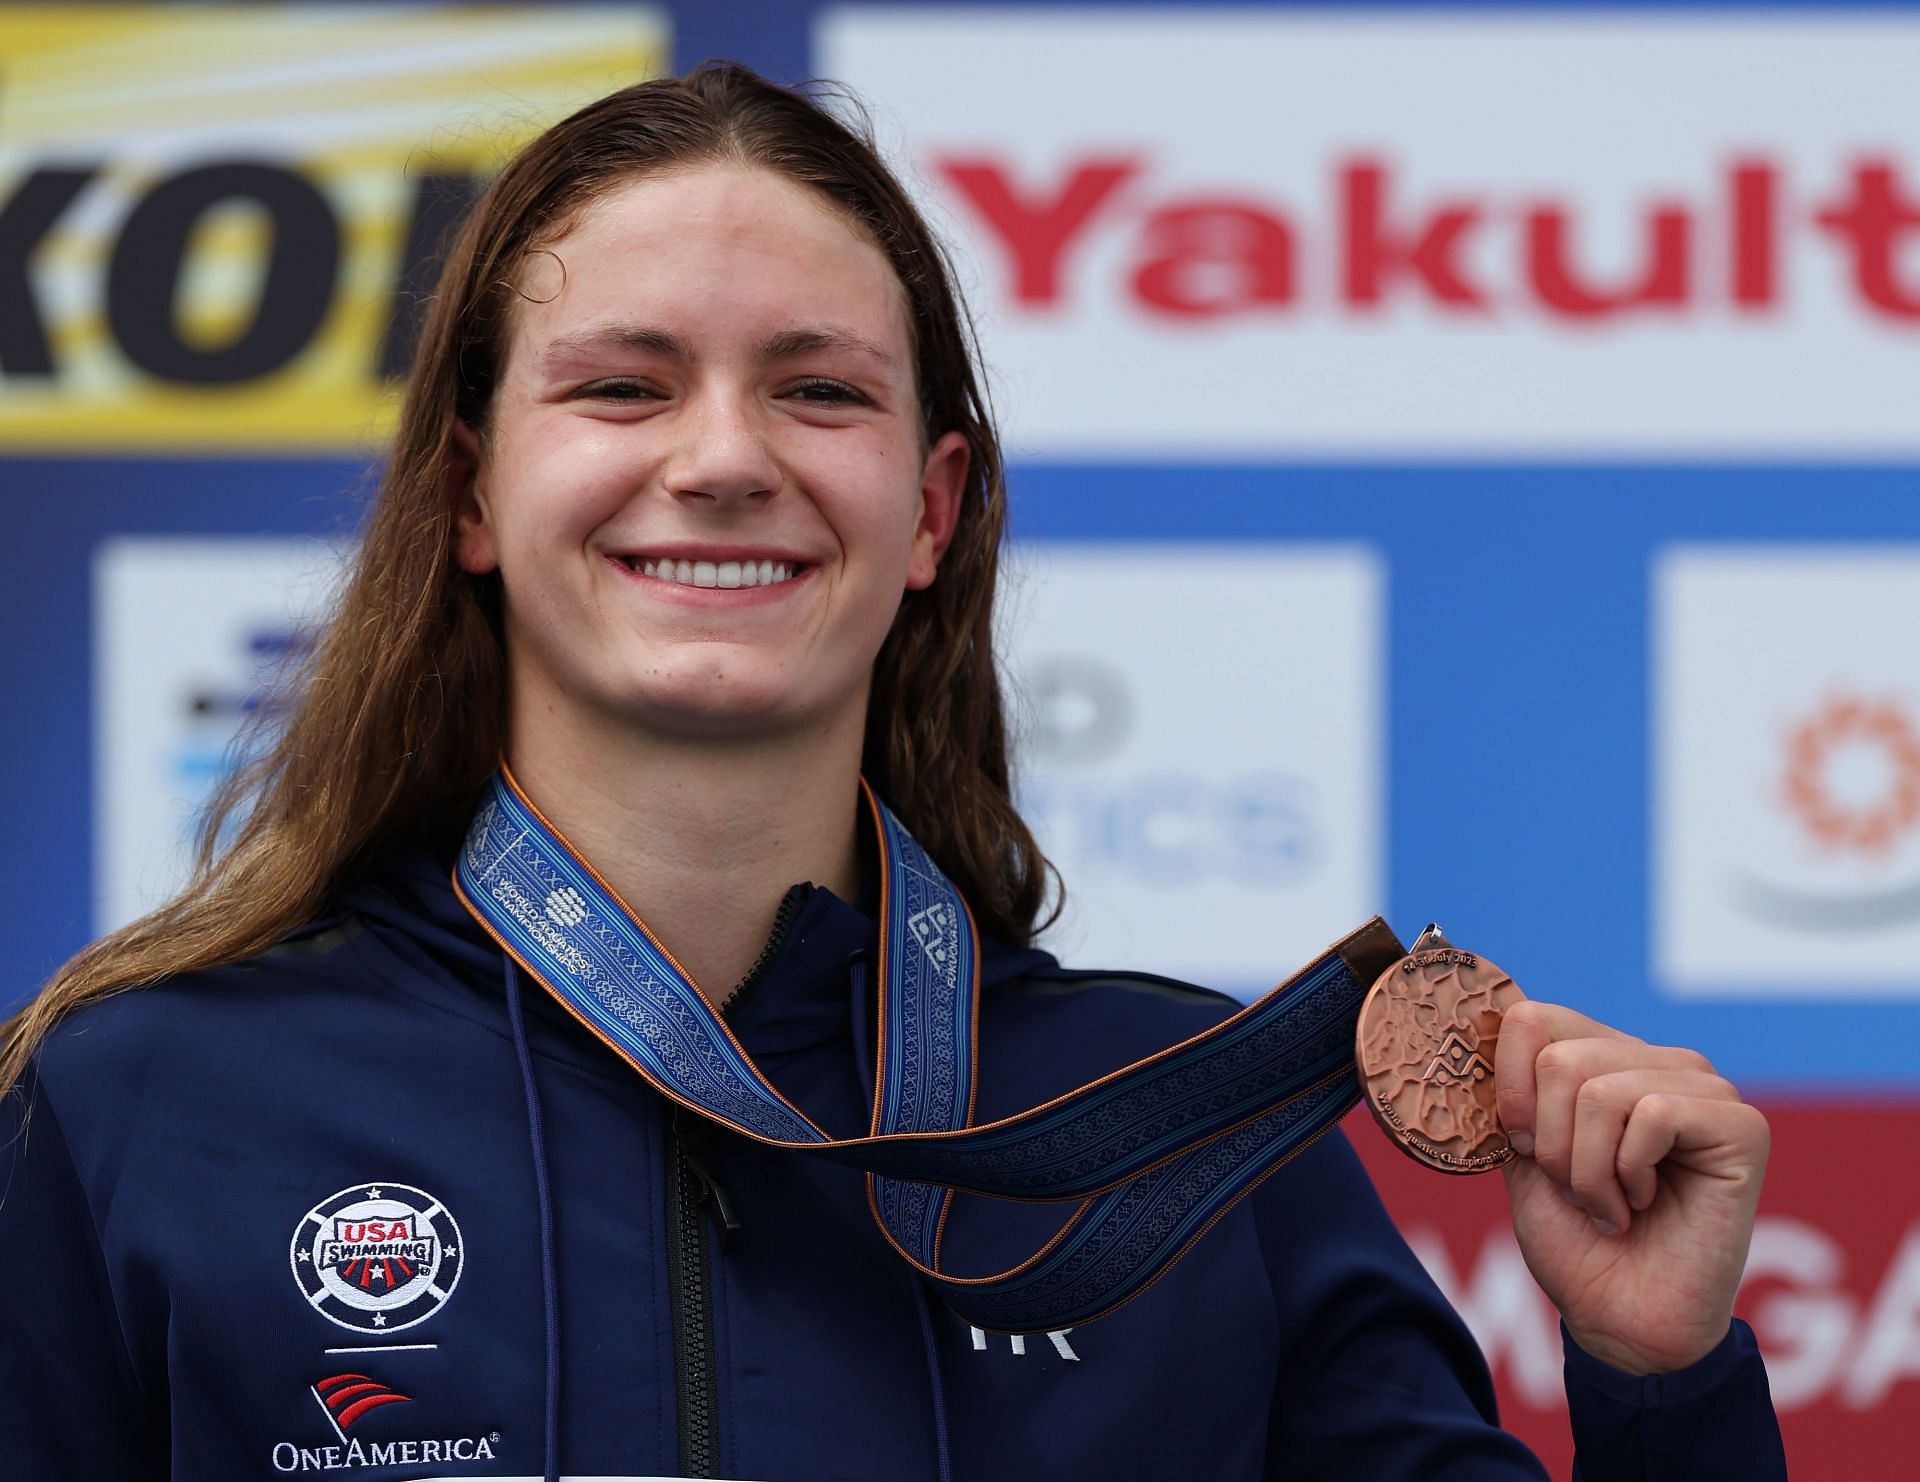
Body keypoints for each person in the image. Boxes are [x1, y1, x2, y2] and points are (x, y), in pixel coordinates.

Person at [0, 64, 1785, 1482]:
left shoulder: (1186, 1133)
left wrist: (1662, 1381)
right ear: (471, 492)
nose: (720, 460)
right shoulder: (148, 1101)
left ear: (930, 510)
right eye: (622, 386)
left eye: (819, 392)